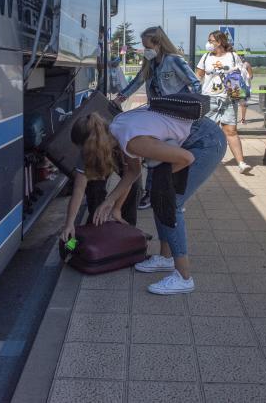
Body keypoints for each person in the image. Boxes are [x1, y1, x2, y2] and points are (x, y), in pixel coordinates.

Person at [72, 108, 226, 294]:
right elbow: (133, 172)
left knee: (170, 203)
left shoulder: (131, 140)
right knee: (158, 197)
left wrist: (164, 180)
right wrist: (110, 201)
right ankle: (166, 258)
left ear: (94, 146)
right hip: (192, 139)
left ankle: (184, 277)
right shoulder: (118, 129)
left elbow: (186, 158)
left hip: (206, 142)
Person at [115, 26, 202, 209]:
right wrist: (120, 98)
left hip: (175, 114)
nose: (145, 50)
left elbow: (194, 82)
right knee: (154, 154)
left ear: (158, 44)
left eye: (147, 46)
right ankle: (154, 192)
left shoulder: (173, 60)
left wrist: (193, 107)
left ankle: (165, 193)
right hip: (157, 113)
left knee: (161, 155)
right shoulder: (150, 63)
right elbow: (137, 81)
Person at [59, 114, 140, 242]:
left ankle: (129, 238)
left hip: (124, 158)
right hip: (100, 157)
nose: (80, 151)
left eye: (81, 147)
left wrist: (116, 208)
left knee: (134, 188)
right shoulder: (87, 152)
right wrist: (69, 223)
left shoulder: (121, 138)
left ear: (90, 144)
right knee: (96, 198)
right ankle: (87, 238)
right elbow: (79, 189)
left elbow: (130, 177)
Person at [196, 30, 253, 174]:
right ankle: (204, 160)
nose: (208, 43)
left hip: (229, 98)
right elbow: (198, 76)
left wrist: (240, 81)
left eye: (211, 41)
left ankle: (241, 163)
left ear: (219, 42)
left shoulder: (232, 56)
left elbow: (243, 73)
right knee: (208, 131)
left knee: (231, 131)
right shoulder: (206, 57)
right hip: (210, 98)